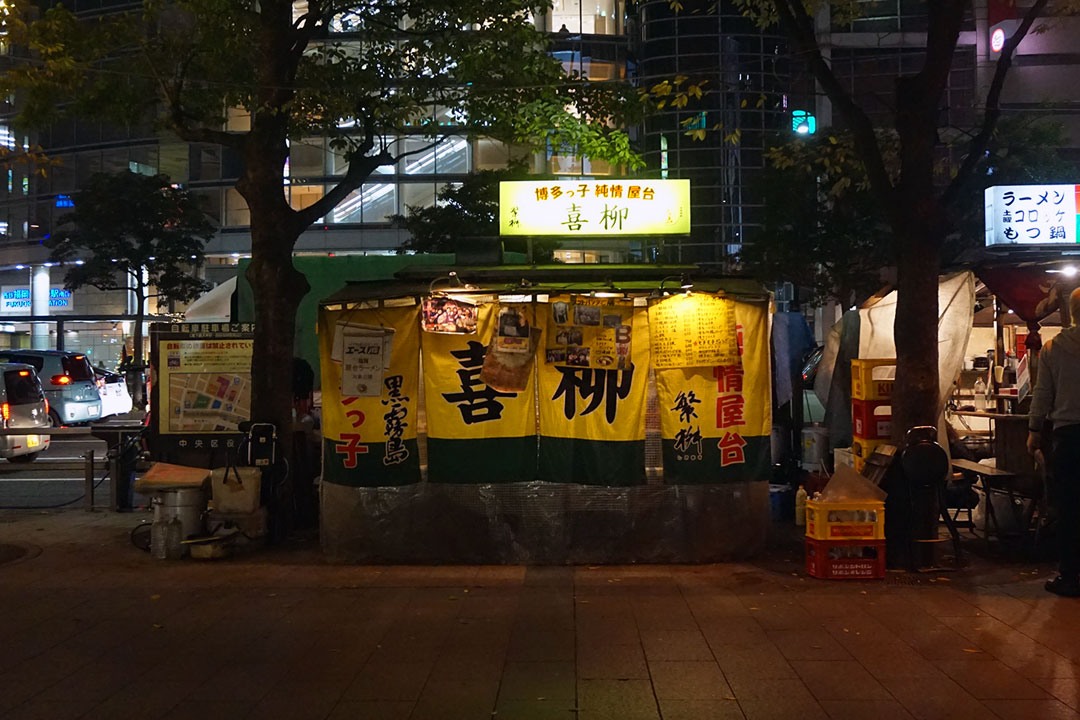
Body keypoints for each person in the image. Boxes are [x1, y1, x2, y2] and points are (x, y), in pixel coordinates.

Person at [1028, 287, 1080, 596]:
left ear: (1072, 313)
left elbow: (1042, 394)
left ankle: (1070, 576)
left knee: (1070, 507)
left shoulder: (1054, 348)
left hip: (1070, 437)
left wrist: (1034, 431)